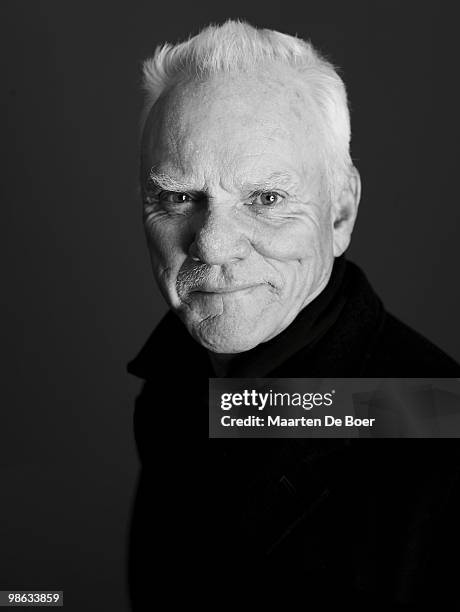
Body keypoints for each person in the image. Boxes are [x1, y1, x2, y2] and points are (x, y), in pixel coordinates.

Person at [127, 21, 460, 607]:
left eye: (267, 199)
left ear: (340, 214)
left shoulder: (435, 430)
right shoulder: (175, 390)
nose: (213, 245)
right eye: (179, 197)